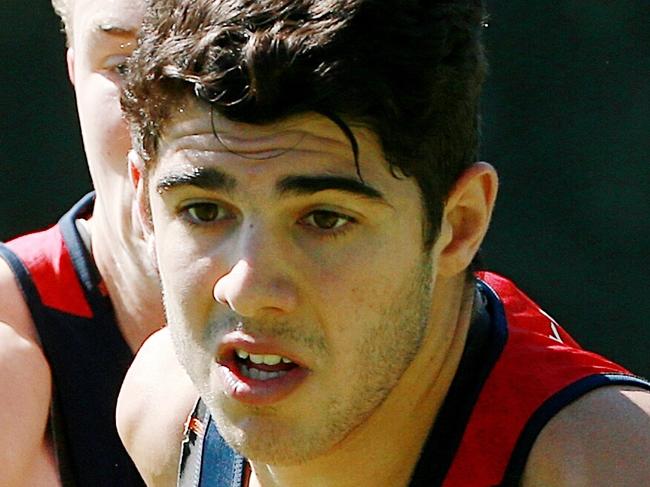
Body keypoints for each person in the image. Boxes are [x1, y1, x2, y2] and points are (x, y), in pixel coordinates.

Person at [116, 0, 650, 485]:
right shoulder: (165, 413)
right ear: (144, 206)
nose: (249, 288)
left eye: (324, 219)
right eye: (204, 211)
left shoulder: (609, 465)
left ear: (458, 225)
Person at [0, 0, 185, 485]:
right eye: (124, 67)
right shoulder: (11, 354)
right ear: (74, 69)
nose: (166, 123)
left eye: (220, 64)